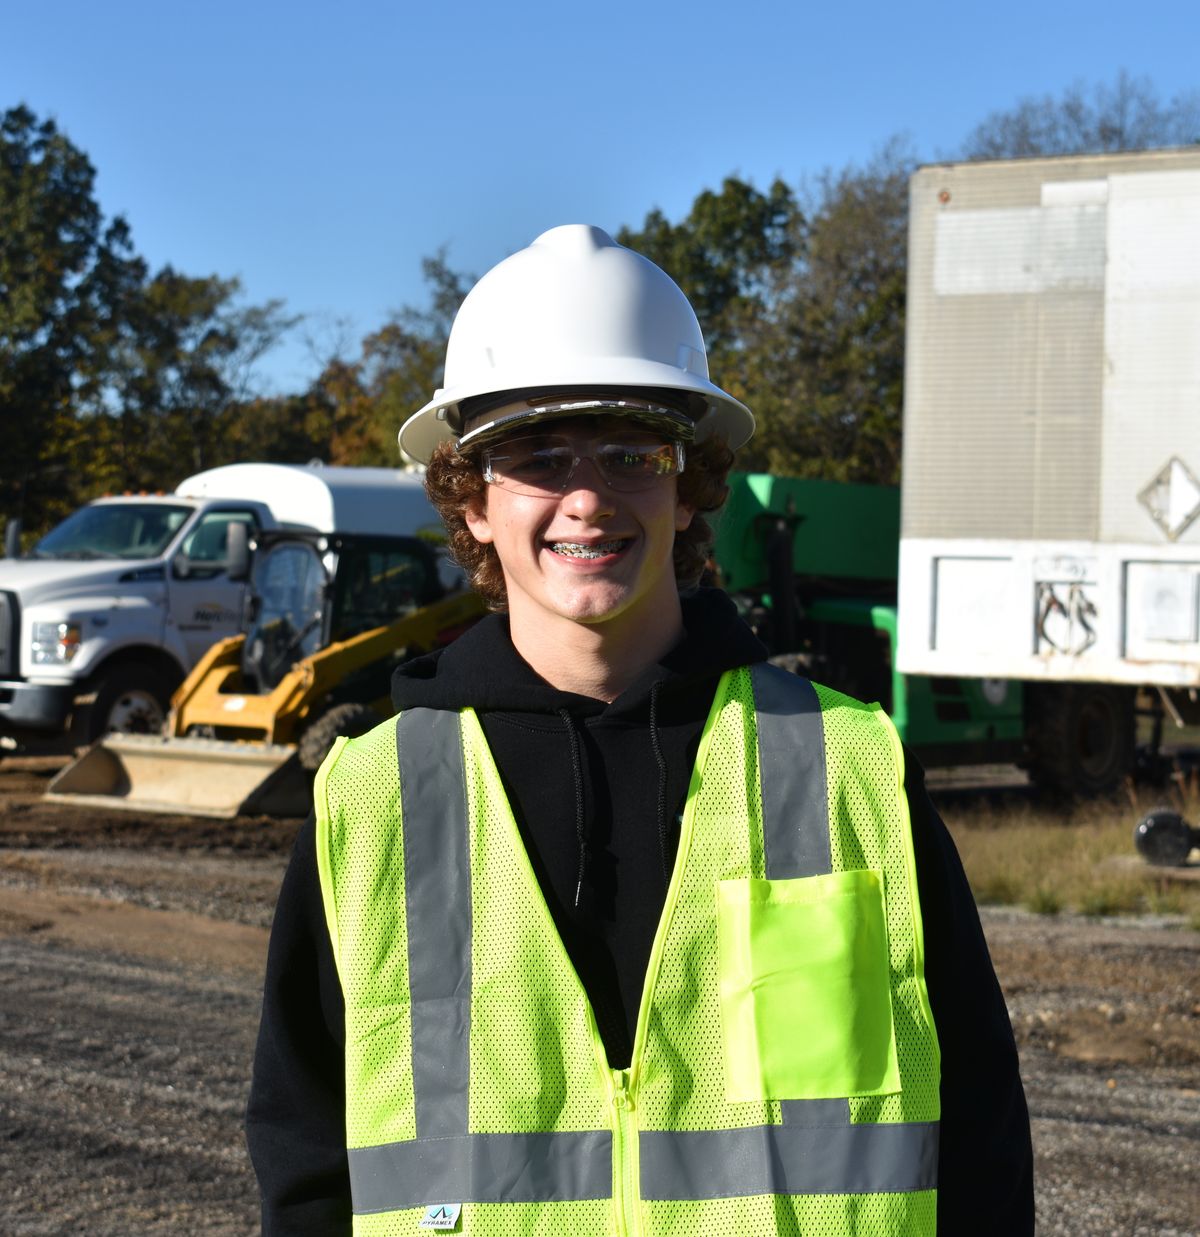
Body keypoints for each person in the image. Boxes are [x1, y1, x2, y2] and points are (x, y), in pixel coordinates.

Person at [246, 225, 1034, 1235]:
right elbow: (307, 1155)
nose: (586, 497)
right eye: (536, 456)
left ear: (686, 482)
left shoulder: (850, 768)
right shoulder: (374, 794)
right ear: (471, 496)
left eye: (631, 452)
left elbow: (978, 1140)